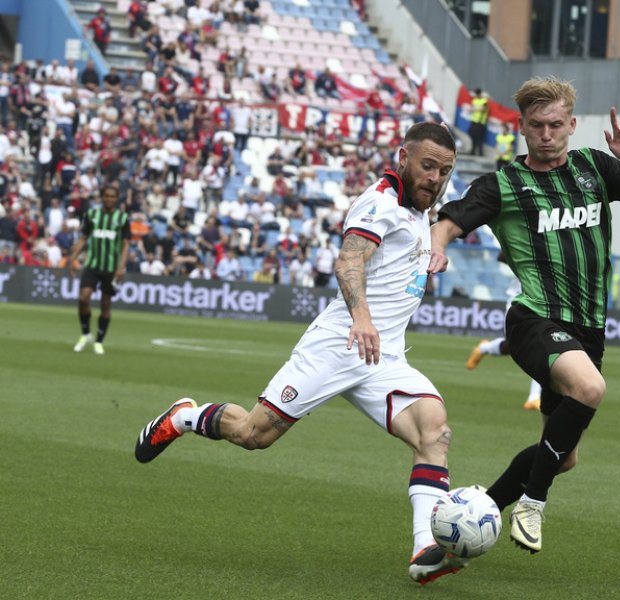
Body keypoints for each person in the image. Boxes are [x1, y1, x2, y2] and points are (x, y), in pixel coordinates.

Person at [133, 122, 466, 584]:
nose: (435, 177)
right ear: (403, 157)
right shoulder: (379, 203)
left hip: (383, 358)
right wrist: (362, 317)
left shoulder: (419, 211)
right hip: (338, 344)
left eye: (444, 171)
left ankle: (425, 547)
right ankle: (184, 416)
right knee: (254, 434)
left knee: (435, 432)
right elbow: (349, 259)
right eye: (428, 166)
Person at [429, 77, 620, 554]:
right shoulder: (503, 184)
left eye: (555, 125)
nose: (546, 134)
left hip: (588, 332)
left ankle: (467, 527)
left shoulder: (594, 167)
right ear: (522, 126)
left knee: (562, 458)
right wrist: (437, 252)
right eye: (536, 126)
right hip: (535, 321)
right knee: (590, 390)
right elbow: (448, 221)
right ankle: (532, 502)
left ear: (571, 125)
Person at [465, 254, 542, 411]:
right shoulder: (529, 240)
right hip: (518, 300)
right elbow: (501, 255)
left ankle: (534, 398)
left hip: (542, 303)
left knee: (540, 347)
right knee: (516, 346)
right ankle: (484, 348)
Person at [69, 184, 131, 355]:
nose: (109, 199)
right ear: (102, 197)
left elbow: (126, 245)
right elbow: (83, 238)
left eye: (113, 196)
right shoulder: (92, 215)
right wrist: (72, 258)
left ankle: (99, 341)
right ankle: (85, 334)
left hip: (111, 268)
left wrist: (121, 267)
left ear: (116, 198)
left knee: (105, 303)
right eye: (107, 196)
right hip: (92, 265)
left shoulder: (122, 218)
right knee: (84, 298)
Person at [468, 87, 489, 156]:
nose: (476, 95)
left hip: (480, 122)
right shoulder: (474, 100)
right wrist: (474, 109)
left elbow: (482, 109)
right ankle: (473, 151)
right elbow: (472, 109)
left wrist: (473, 109)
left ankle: (480, 153)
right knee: (473, 136)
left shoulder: (484, 101)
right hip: (474, 121)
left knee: (479, 138)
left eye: (477, 94)